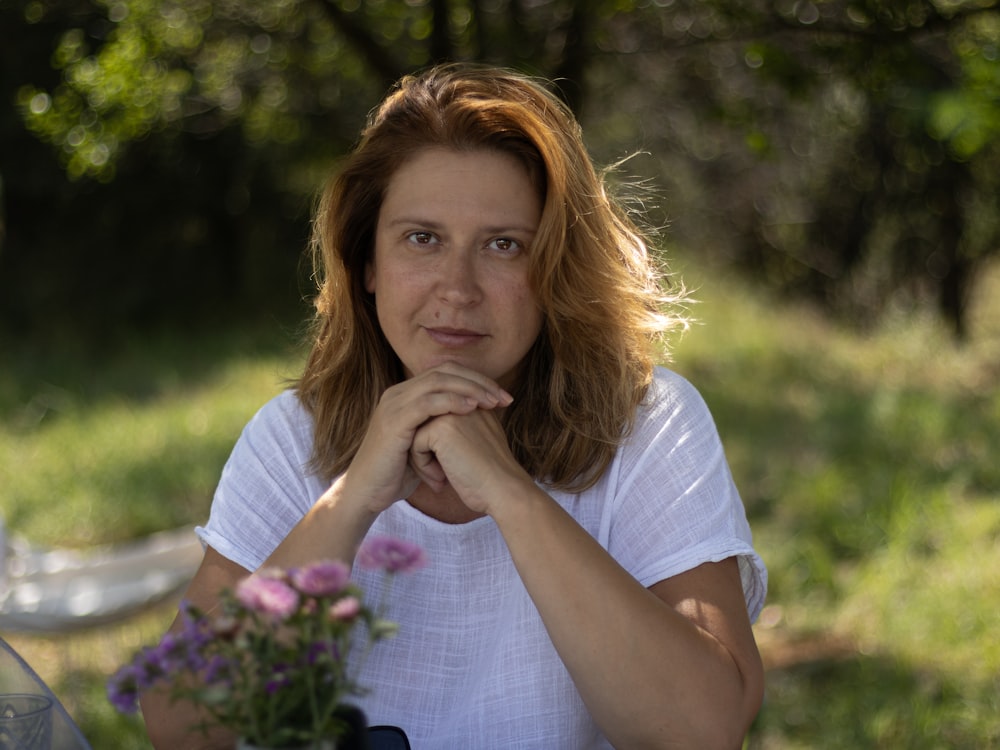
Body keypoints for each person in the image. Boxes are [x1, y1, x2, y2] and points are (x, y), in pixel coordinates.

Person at [141, 62, 767, 749]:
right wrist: (349, 503)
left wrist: (512, 495)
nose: (457, 288)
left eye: (504, 246)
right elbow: (182, 729)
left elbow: (704, 732)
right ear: (367, 263)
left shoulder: (649, 426)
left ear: (554, 268)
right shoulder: (292, 439)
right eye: (422, 238)